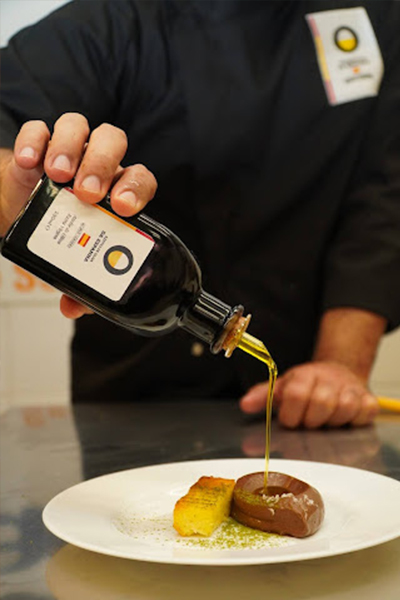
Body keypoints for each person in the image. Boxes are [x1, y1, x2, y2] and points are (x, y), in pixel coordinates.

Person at [1, 0, 400, 429]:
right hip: (134, 405)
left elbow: (384, 200)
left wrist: (339, 367)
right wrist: (17, 187)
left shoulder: (379, 16)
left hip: (299, 405)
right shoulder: (111, 22)